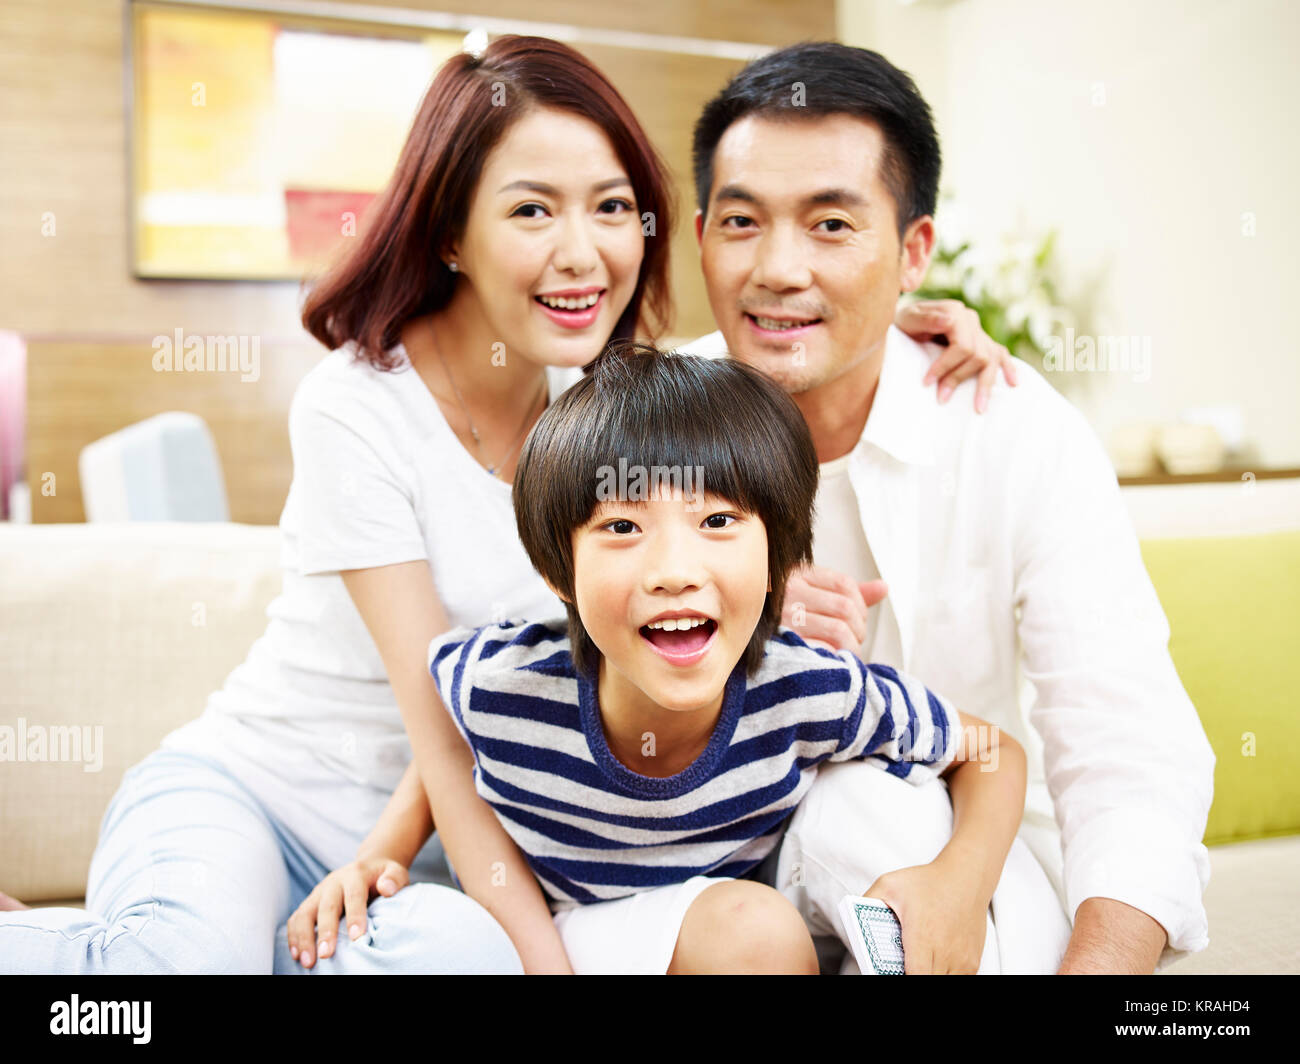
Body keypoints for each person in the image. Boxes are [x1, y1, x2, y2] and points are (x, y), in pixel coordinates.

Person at [0, 35, 1007, 973]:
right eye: (532, 211)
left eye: (612, 208)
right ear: (449, 231)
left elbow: (735, 382)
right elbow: (443, 730)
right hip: (267, 800)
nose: (582, 252)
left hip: (432, 866)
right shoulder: (359, 406)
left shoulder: (602, 403)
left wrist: (898, 321)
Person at [680, 41, 1216, 973]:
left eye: (832, 225)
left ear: (914, 252)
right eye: (742, 222)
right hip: (705, 877)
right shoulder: (640, 429)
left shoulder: (1010, 428)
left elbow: (1126, 748)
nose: (777, 268)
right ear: (699, 238)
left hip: (963, 849)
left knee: (877, 809)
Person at [426, 341, 1066, 974]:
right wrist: (384, 853)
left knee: (846, 854)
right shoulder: (502, 684)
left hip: (729, 916)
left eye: (717, 521)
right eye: (623, 527)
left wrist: (959, 885)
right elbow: (444, 734)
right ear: (557, 572)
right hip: (577, 927)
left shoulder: (803, 689)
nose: (674, 572)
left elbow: (992, 752)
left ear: (777, 567)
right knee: (756, 936)